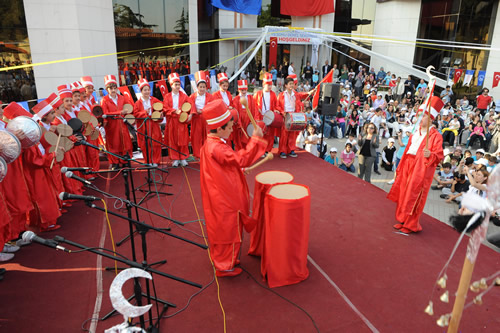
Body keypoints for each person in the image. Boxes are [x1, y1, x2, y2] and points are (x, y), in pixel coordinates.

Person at [199, 99, 267, 277]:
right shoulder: (217, 147)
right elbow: (240, 159)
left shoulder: (212, 142)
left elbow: (226, 165)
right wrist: (256, 139)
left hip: (218, 192)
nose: (231, 130)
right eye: (229, 127)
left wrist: (237, 170)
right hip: (223, 197)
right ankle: (224, 266)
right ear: (219, 128)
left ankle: (225, 260)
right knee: (228, 231)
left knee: (223, 229)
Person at [387, 107, 444, 234]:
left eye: (422, 116)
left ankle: (411, 224)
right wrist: (400, 167)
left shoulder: (435, 136)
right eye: (418, 115)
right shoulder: (415, 132)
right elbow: (407, 150)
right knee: (403, 192)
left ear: (430, 119)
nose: (419, 118)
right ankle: (402, 219)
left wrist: (431, 154)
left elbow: (439, 155)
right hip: (408, 162)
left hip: (420, 167)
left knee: (415, 194)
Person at [100, 75, 133, 169]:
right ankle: (115, 162)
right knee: (113, 144)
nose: (113, 90)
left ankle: (125, 160)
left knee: (125, 142)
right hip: (112, 126)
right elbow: (105, 113)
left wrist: (128, 114)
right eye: (111, 88)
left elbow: (129, 108)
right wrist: (119, 112)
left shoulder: (122, 98)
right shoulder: (104, 100)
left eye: (115, 88)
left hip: (122, 125)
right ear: (107, 89)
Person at [163, 72, 193, 167]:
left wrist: (191, 114)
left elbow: (191, 104)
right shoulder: (167, 96)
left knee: (183, 139)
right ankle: (175, 158)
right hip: (172, 121)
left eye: (179, 84)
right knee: (173, 139)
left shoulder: (184, 96)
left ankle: (183, 157)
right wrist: (173, 111)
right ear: (171, 85)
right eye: (175, 85)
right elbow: (164, 108)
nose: (177, 86)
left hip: (182, 120)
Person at [133, 78, 163, 165]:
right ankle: (148, 161)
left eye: (148, 90)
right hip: (143, 126)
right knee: (145, 145)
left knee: (156, 143)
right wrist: (145, 112)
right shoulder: (138, 103)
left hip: (154, 125)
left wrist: (161, 113)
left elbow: (162, 108)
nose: (147, 92)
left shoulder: (154, 100)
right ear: (141, 91)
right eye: (145, 90)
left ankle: (156, 161)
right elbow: (135, 114)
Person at [277, 77, 303, 158]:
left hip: (294, 116)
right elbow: (277, 106)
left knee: (292, 134)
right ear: (286, 85)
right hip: (286, 115)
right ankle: (282, 151)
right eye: (290, 84)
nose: (292, 85)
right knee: (284, 134)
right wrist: (282, 112)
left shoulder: (295, 94)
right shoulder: (281, 95)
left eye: (293, 84)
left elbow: (300, 100)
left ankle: (291, 149)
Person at [189, 71, 213, 159]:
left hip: (206, 118)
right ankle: (197, 154)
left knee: (207, 136)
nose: (202, 89)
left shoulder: (210, 96)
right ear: (197, 87)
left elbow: (212, 106)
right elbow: (190, 105)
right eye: (200, 87)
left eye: (204, 87)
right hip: (196, 118)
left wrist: (204, 111)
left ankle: (207, 153)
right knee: (196, 136)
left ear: (206, 88)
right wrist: (196, 110)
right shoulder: (192, 96)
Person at [254, 73, 278, 152]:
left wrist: (275, 111)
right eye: (268, 85)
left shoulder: (273, 94)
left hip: (269, 117)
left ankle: (268, 150)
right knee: (261, 134)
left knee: (270, 134)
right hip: (260, 116)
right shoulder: (258, 94)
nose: (270, 87)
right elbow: (254, 104)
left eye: (271, 85)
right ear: (264, 84)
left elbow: (276, 104)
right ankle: (261, 150)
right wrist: (258, 109)